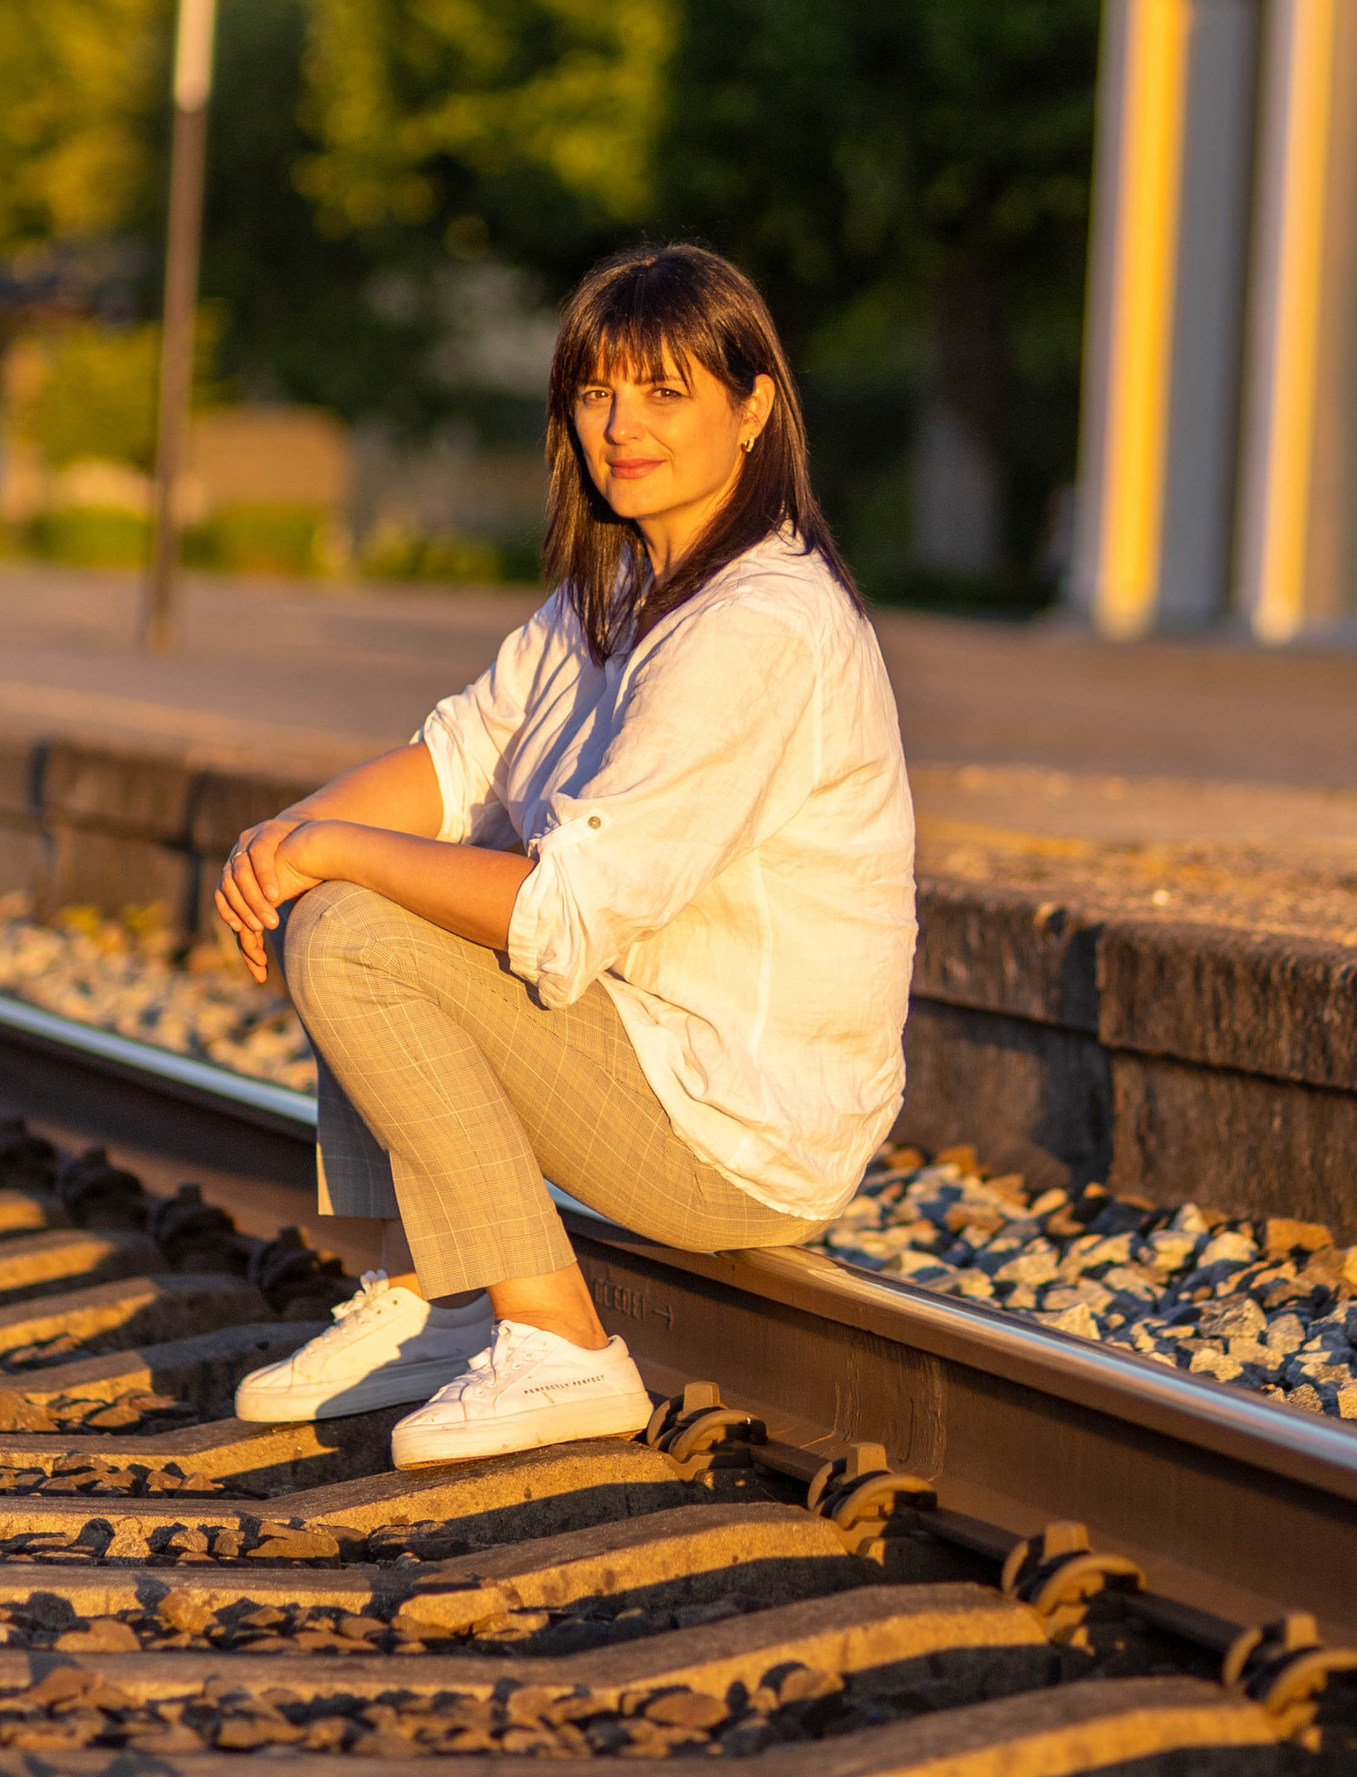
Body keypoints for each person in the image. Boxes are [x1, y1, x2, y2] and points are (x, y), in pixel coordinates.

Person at [211, 243, 916, 1468]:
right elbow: (456, 764)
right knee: (337, 886)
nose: (620, 427)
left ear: (753, 408)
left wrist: (329, 853)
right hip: (642, 1052)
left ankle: (558, 1340)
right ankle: (440, 1298)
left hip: (737, 1125)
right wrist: (281, 845)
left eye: (663, 392)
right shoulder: (615, 591)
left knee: (360, 924)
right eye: (595, 393)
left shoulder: (758, 626)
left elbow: (558, 915)